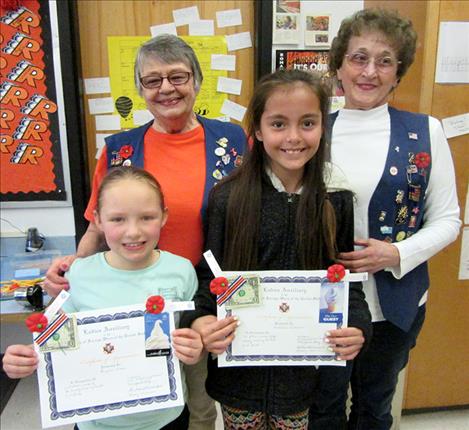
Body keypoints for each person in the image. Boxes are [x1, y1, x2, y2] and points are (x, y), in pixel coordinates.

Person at [44, 34, 247, 429]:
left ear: (197, 81)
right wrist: (74, 272)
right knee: (127, 394)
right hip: (128, 298)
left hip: (200, 295)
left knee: (200, 400)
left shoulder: (233, 141)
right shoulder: (120, 149)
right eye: (152, 80)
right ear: (139, 89)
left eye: (178, 76)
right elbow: (97, 225)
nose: (166, 88)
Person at [181, 69, 372, 429]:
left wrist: (358, 327)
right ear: (257, 130)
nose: (294, 137)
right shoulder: (229, 198)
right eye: (279, 124)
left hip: (301, 377)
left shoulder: (336, 199)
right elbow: (210, 276)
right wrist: (202, 320)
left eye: (308, 123)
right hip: (238, 377)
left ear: (322, 127)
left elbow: (347, 283)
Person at [323, 8, 461, 429]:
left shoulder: (425, 131)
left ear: (399, 72)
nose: (370, 71)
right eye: (358, 57)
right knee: (322, 409)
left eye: (385, 61)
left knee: (374, 408)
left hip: (393, 303)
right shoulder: (312, 129)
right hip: (324, 302)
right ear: (339, 66)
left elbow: (449, 219)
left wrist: (397, 252)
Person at [3, 167, 203, 430]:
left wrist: (194, 346)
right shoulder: (80, 274)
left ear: (163, 217)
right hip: (97, 421)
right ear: (97, 219)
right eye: (118, 219)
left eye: (146, 217)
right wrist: (27, 358)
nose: (133, 232)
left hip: (164, 417)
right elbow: (57, 340)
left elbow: (189, 330)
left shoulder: (181, 270)